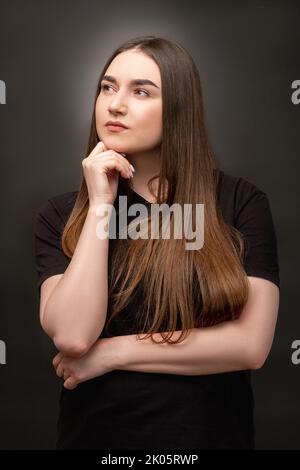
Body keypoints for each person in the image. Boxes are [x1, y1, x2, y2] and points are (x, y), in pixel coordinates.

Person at [34, 35, 280, 450]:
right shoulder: (61, 214)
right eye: (107, 87)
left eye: (141, 91)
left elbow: (249, 345)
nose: (115, 104)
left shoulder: (239, 203)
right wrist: (100, 207)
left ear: (179, 110)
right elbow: (74, 337)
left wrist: (111, 354)